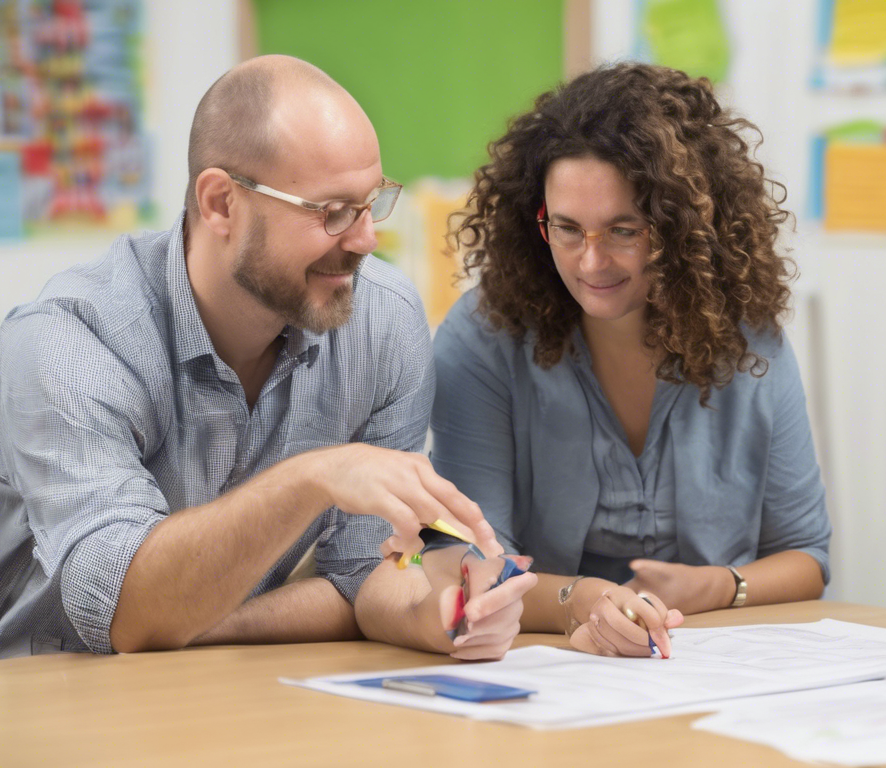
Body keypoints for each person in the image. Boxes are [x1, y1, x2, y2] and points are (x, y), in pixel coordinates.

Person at [0, 55, 536, 660]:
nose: (364, 241)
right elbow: (126, 614)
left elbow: (364, 572)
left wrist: (443, 616)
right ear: (222, 204)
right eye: (333, 212)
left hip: (220, 694)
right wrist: (316, 475)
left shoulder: (381, 321)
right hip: (42, 703)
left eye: (372, 203)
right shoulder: (70, 344)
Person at [430, 62, 830, 657]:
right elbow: (469, 565)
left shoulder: (746, 338)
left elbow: (809, 558)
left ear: (684, 227)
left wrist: (719, 586)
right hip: (545, 664)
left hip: (710, 663)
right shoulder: (483, 338)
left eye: (623, 230)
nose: (591, 264)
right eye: (566, 228)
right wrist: (584, 601)